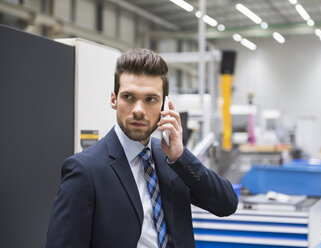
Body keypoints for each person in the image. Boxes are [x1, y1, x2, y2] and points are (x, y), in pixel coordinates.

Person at [46, 48, 238, 248]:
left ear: (164, 105)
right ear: (114, 99)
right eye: (129, 97)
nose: (138, 110)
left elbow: (227, 204)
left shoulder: (171, 160)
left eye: (150, 99)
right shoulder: (85, 170)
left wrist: (180, 156)